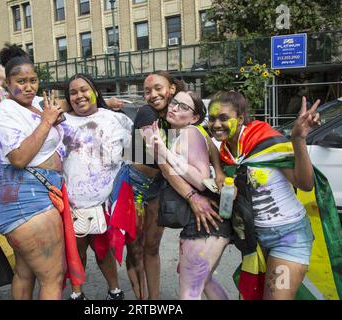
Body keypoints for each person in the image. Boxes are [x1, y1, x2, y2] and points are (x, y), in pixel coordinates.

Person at [111, 71, 225, 300]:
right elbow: (162, 162)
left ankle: (154, 301)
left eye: (158, 88)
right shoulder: (146, 113)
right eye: (146, 91)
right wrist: (193, 198)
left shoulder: (179, 112)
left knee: (151, 248)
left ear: (172, 89)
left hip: (158, 187)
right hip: (135, 185)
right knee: (135, 250)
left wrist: (219, 170)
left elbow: (206, 139)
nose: (152, 95)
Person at [208, 91, 317, 299]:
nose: (216, 124)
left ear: (240, 119)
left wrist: (298, 139)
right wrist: (220, 172)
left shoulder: (266, 142)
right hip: (255, 240)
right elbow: (200, 142)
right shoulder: (225, 153)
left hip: (289, 236)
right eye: (212, 118)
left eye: (223, 117)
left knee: (276, 296)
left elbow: (305, 184)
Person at [0, 46, 67, 300]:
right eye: (21, 81)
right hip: (26, 198)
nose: (29, 87)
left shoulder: (35, 108)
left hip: (31, 193)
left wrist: (51, 119)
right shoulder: (6, 110)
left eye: (33, 80)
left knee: (24, 272)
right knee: (53, 277)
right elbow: (19, 158)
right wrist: (46, 122)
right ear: (8, 84)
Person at [150, 91, 231, 300]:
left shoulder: (190, 133)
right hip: (208, 222)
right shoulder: (186, 134)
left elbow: (201, 180)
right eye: (174, 102)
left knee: (189, 293)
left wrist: (163, 152)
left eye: (183, 107)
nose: (174, 107)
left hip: (204, 223)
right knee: (204, 282)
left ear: (194, 117)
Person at [59, 73, 133, 300]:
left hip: (106, 203)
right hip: (71, 203)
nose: (79, 95)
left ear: (96, 92)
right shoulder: (60, 121)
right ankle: (77, 294)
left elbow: (137, 157)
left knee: (103, 252)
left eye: (84, 90)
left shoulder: (117, 120)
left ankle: (115, 291)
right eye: (73, 92)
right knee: (76, 252)